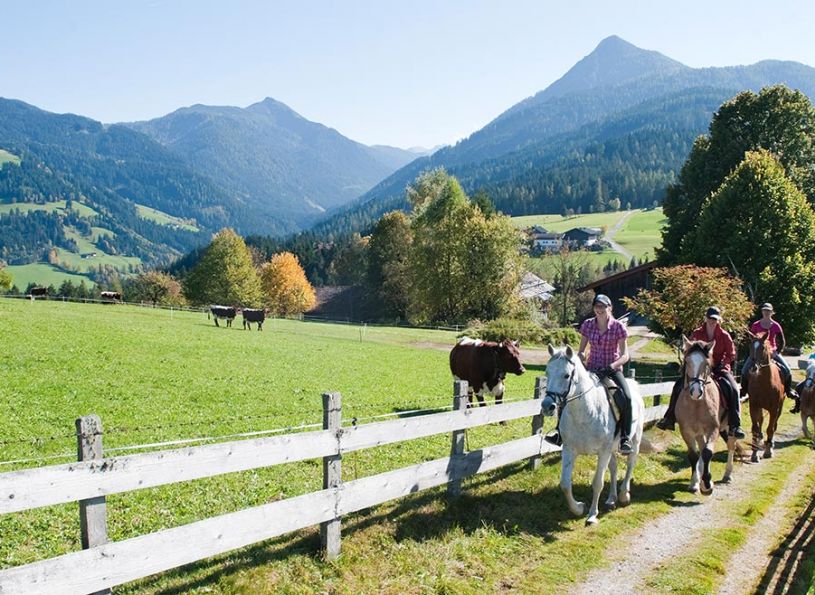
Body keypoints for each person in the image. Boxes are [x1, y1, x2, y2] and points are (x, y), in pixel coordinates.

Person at [545, 293, 634, 454]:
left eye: (602, 306)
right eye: (596, 306)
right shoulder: (587, 325)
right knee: (567, 393)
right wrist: (580, 357)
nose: (599, 310)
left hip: (611, 370)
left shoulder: (618, 327)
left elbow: (625, 355)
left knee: (626, 397)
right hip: (591, 368)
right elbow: (581, 350)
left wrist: (611, 367)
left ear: (610, 308)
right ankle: (559, 432)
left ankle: (625, 438)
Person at [656, 307, 746, 439]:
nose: (712, 321)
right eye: (710, 318)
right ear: (706, 318)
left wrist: (723, 362)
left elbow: (731, 353)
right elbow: (689, 348)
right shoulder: (697, 333)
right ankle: (669, 418)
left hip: (719, 368)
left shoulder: (724, 335)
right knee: (678, 386)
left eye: (715, 319)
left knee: (733, 388)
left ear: (718, 320)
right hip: (699, 369)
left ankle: (735, 424)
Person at [740, 303, 800, 412]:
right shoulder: (756, 325)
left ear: (771, 312)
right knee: (744, 369)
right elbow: (752, 339)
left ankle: (788, 389)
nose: (766, 312)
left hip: (772, 352)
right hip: (757, 353)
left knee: (787, 370)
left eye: (768, 311)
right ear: (762, 312)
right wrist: (753, 352)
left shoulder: (776, 325)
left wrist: (776, 352)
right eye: (764, 310)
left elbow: (782, 341)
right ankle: (743, 391)